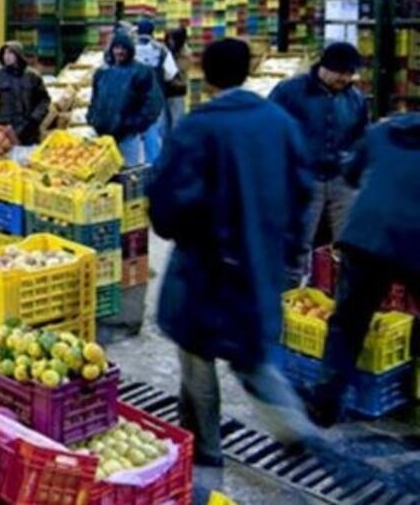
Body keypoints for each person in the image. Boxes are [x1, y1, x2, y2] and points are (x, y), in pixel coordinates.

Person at [149, 38, 318, 482]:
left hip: (202, 270)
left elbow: (167, 206)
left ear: (206, 72)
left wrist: (180, 228)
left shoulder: (197, 126)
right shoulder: (280, 123)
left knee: (197, 365)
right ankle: (290, 421)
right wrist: (282, 249)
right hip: (259, 265)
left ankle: (205, 462)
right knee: (252, 351)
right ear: (248, 71)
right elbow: (304, 193)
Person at [310, 111, 420, 426]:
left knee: (346, 324)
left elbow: (351, 174)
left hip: (365, 238)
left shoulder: (382, 132)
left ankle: (325, 405)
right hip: (414, 242)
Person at [269, 41, 369, 284]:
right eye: (340, 72)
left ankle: (330, 294)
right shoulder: (289, 91)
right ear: (324, 67)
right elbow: (269, 129)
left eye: (349, 73)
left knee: (347, 244)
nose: (345, 78)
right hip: (303, 179)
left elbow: (361, 137)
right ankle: (287, 299)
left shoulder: (355, 99)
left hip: (341, 180)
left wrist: (354, 168)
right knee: (297, 244)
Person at [86, 33, 162, 166]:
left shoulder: (142, 72)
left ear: (130, 50)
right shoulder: (102, 73)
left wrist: (135, 124)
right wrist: (92, 117)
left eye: (123, 48)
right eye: (116, 48)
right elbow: (95, 99)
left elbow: (153, 104)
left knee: (127, 175)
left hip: (127, 137)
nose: (119, 52)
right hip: (103, 135)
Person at [131, 20, 178, 162]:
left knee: (134, 136)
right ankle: (153, 167)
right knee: (154, 133)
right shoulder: (161, 49)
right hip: (155, 96)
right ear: (152, 32)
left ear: (138, 31)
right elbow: (170, 73)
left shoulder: (130, 48)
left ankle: (135, 166)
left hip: (133, 98)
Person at [162, 27, 190, 132]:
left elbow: (176, 72)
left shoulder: (185, 54)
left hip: (177, 90)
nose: (170, 41)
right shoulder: (167, 49)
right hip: (166, 90)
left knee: (177, 122)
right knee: (164, 124)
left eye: (172, 39)